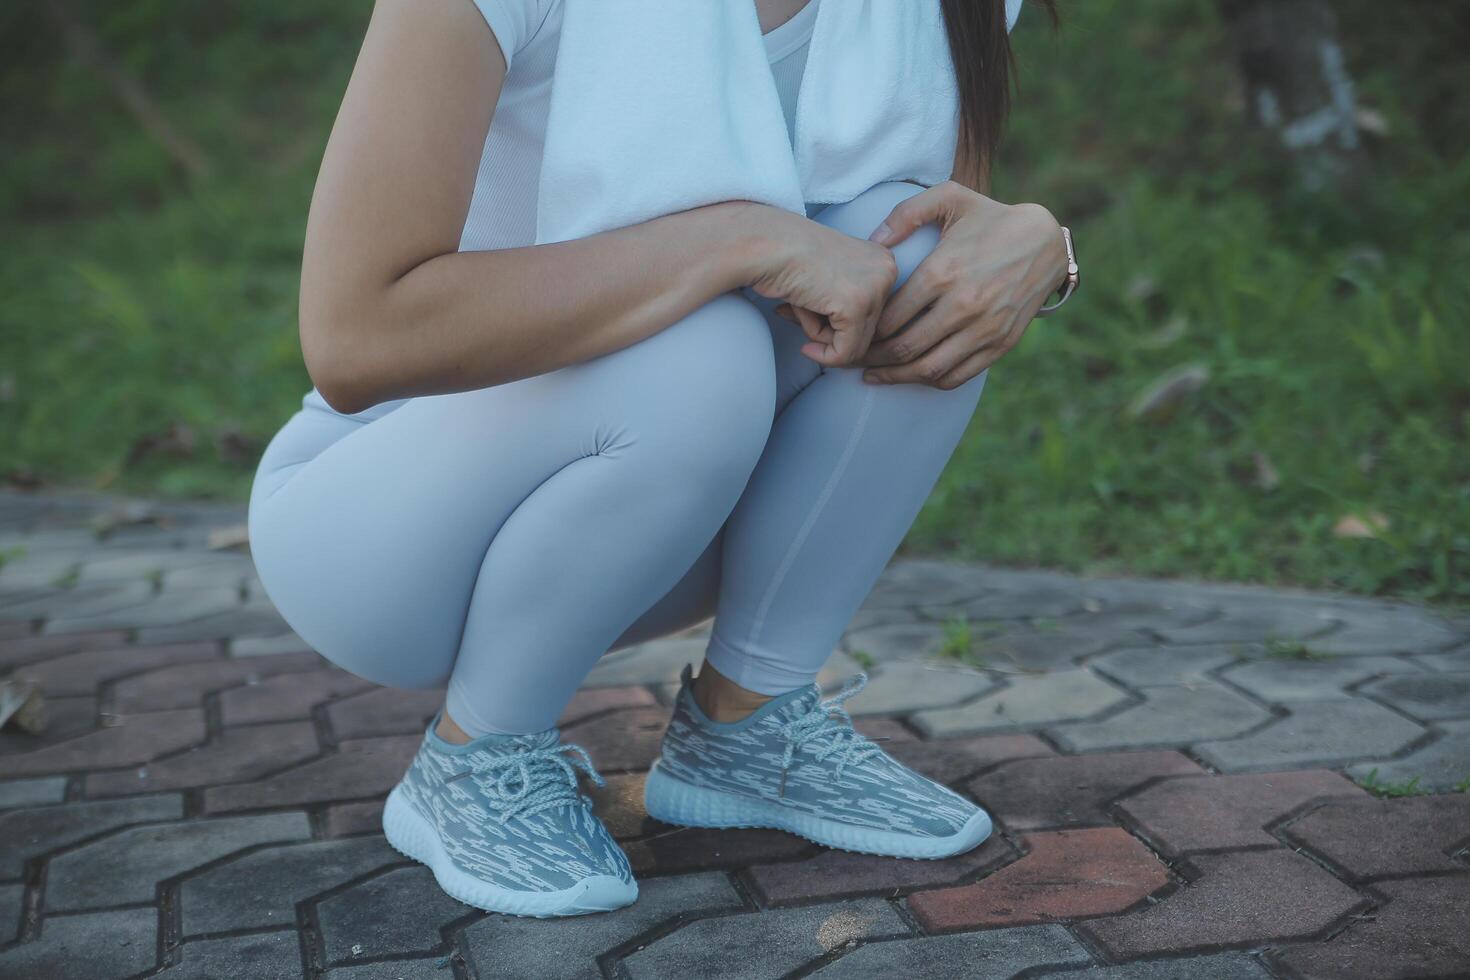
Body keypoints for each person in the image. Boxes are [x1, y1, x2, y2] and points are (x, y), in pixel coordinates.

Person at [247, 0, 1070, 917]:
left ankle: (748, 722)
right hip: (377, 524)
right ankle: (476, 757)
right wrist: (738, 241)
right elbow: (357, 339)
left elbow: (918, 234)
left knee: (926, 270)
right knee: (695, 348)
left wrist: (1036, 243)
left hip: (658, 515)